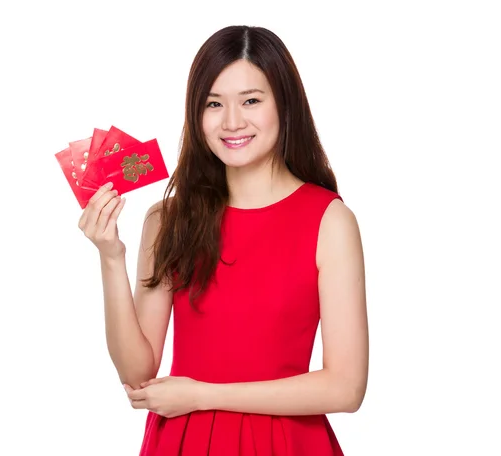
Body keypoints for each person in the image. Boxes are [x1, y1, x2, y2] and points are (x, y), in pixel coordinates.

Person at [78, 24, 368, 456]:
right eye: (214, 104)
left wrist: (203, 396)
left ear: (284, 105)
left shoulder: (329, 220)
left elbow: (346, 388)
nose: (232, 121)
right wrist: (110, 257)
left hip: (286, 444)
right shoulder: (168, 219)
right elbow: (137, 375)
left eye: (251, 100)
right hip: (183, 443)